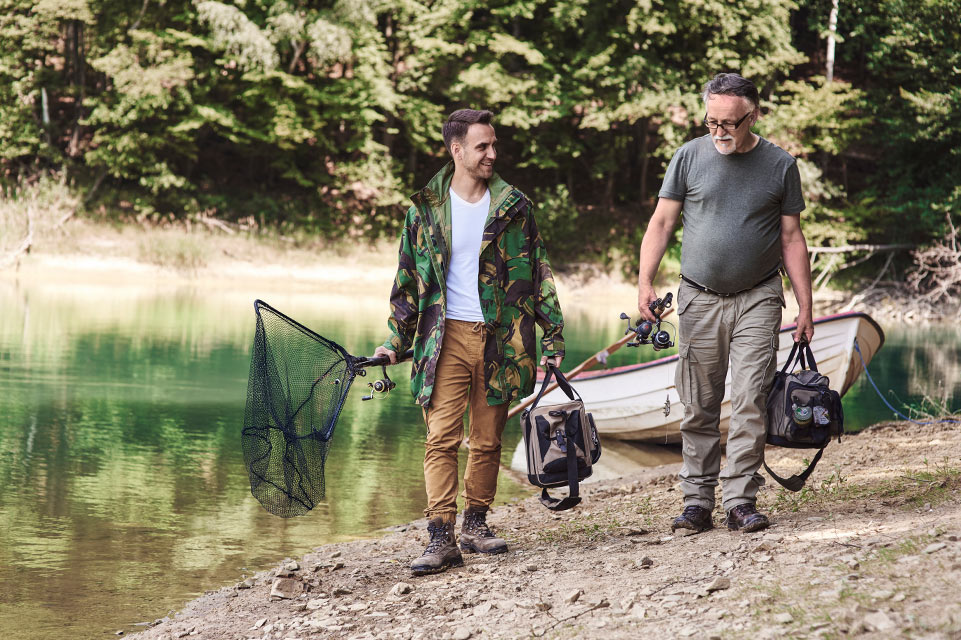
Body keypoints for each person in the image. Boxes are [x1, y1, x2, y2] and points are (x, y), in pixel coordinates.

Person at [374, 108, 565, 575]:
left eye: (494, 145)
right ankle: (440, 536)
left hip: (504, 338)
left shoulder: (514, 206)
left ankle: (475, 525)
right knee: (440, 437)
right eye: (482, 146)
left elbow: (539, 272)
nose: (492, 154)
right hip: (444, 338)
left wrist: (553, 335)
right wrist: (394, 342)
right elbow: (406, 280)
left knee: (487, 439)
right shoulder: (424, 209)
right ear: (456, 150)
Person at [636, 73, 814, 534]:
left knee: (752, 397)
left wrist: (806, 306)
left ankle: (739, 500)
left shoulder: (780, 165)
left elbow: (792, 239)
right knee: (699, 403)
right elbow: (661, 223)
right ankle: (697, 501)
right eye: (712, 121)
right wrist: (644, 285)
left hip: (758, 296)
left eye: (729, 124)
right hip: (698, 296)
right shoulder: (688, 157)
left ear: (752, 116)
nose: (719, 132)